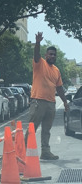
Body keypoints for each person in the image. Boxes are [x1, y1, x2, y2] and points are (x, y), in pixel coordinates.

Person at [25, 32, 69, 160]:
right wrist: (37, 42)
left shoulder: (56, 70)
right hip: (38, 102)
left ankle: (45, 152)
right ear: (46, 55)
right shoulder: (40, 63)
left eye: (54, 55)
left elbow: (59, 88)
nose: (52, 56)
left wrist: (65, 102)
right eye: (50, 54)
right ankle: (22, 153)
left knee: (46, 130)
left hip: (51, 103)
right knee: (32, 129)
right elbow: (36, 54)